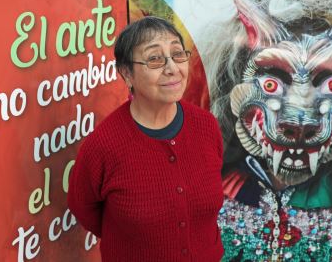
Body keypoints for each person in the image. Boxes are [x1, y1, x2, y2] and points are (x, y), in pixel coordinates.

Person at [68, 16, 224, 262]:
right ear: (127, 73)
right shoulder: (104, 145)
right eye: (154, 59)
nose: (172, 68)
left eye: (177, 54)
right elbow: (84, 208)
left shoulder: (206, 126)